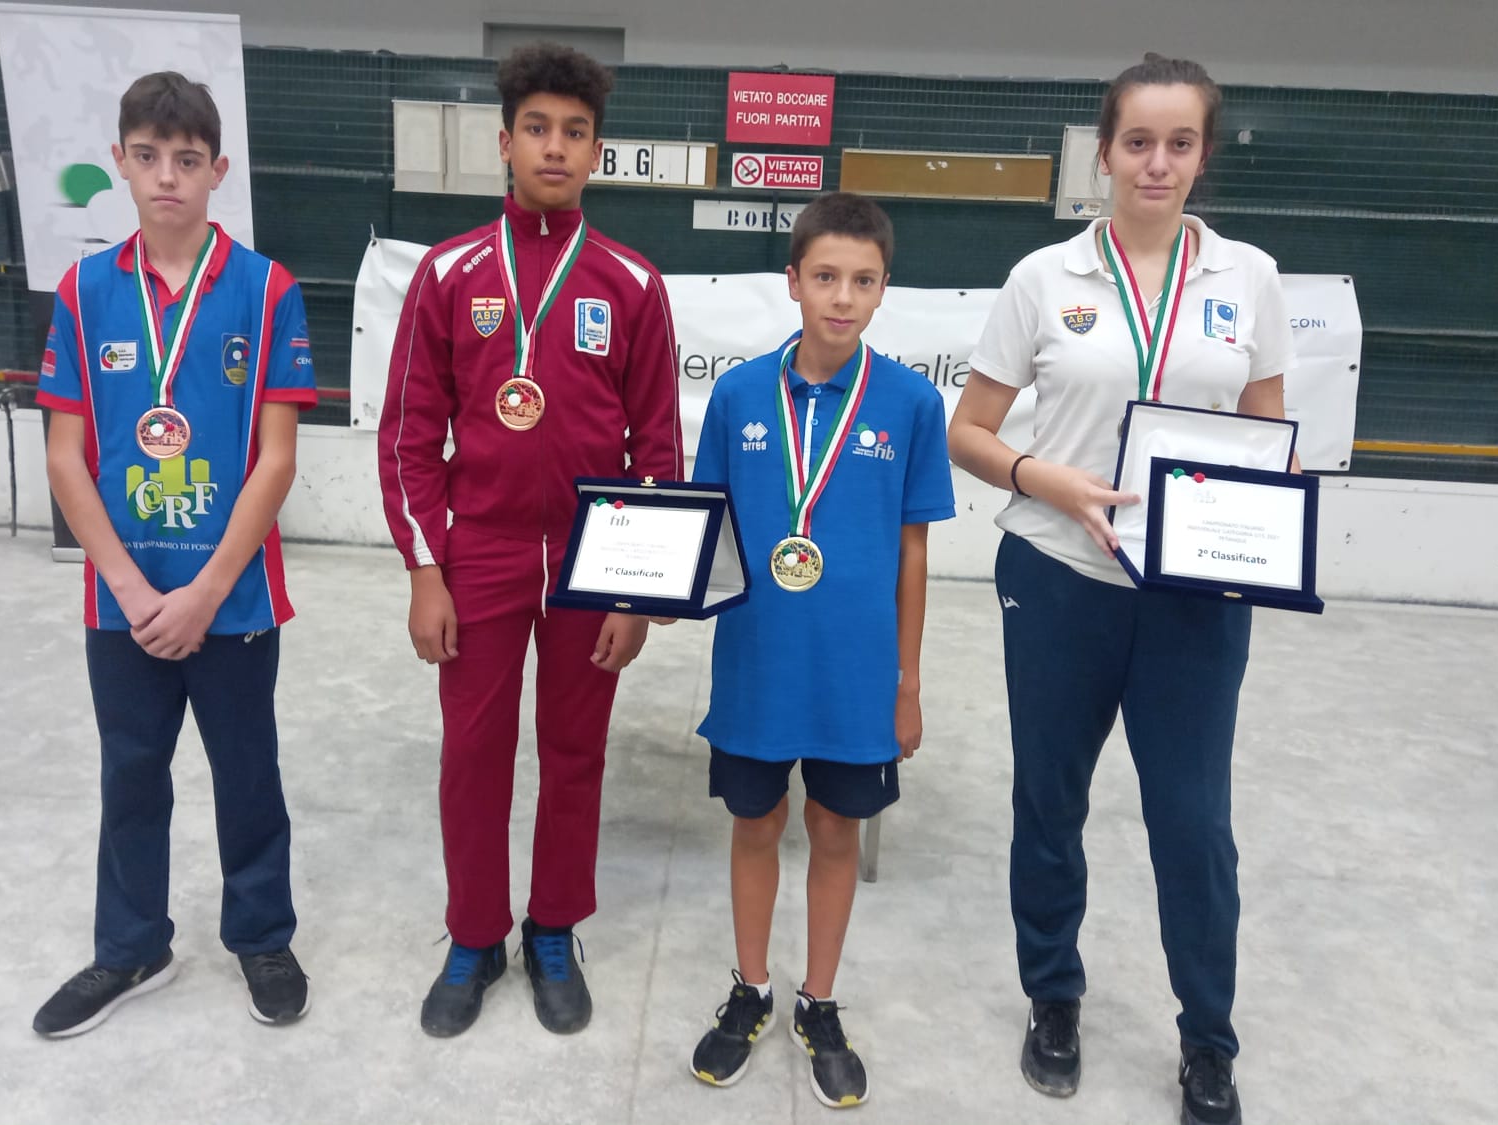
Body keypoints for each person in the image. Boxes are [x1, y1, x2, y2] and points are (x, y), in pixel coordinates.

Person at [946, 53, 1296, 1125]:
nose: (1155, 162)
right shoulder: (1043, 280)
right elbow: (967, 430)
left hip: (1190, 597)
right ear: (1101, 153)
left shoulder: (1249, 279)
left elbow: (1267, 436)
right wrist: (1039, 478)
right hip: (1057, 577)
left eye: (1177, 142)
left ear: (1201, 154)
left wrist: (1242, 531)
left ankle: (1206, 1040)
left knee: (1191, 823)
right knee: (1049, 800)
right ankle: (1053, 995)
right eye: (1135, 142)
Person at [376, 42, 682, 1039]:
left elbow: (656, 449)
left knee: (574, 750)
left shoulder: (630, 282)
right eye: (537, 129)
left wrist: (636, 589)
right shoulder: (448, 271)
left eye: (576, 131)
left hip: (594, 555)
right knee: (472, 751)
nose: (555, 147)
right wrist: (427, 568)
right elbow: (410, 436)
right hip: (482, 553)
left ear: (597, 148)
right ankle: (474, 935)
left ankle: (553, 926)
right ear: (503, 142)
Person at [31, 71, 318, 1037]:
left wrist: (203, 589)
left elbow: (276, 460)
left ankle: (262, 934)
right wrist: (126, 580)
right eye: (147, 157)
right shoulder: (81, 290)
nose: (166, 178)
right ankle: (130, 947)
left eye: (186, 161)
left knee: (248, 776)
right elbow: (66, 458)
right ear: (119, 161)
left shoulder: (266, 289)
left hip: (231, 599)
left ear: (217, 171)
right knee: (131, 772)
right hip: (121, 599)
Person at [685, 193, 956, 1108]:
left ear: (885, 289)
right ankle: (751, 986)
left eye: (864, 280)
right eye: (827, 277)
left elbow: (914, 549)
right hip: (759, 665)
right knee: (755, 823)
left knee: (836, 830)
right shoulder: (735, 394)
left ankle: (820, 999)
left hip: (855, 676)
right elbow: (708, 529)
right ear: (793, 281)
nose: (843, 298)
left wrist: (907, 684)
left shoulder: (912, 403)